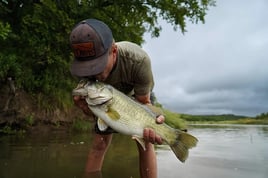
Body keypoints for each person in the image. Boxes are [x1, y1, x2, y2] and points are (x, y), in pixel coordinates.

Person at [70, 19, 164, 178]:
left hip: (137, 96)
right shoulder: (85, 72)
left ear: (113, 51)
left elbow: (144, 102)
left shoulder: (138, 61)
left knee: (144, 143)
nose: (93, 72)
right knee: (99, 142)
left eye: (97, 65)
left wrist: (154, 117)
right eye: (87, 66)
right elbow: (97, 114)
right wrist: (87, 109)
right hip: (105, 98)